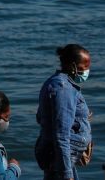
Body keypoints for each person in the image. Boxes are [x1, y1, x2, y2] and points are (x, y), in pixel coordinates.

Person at [35, 44, 92, 180]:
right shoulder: (63, 88)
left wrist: (80, 118)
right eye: (85, 66)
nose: (88, 70)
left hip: (62, 158)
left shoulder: (57, 82)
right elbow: (61, 135)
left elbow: (41, 117)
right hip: (61, 159)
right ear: (73, 66)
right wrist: (67, 175)